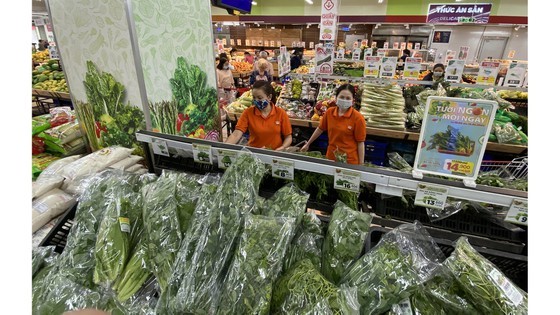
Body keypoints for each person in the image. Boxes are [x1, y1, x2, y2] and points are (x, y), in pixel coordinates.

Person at [301, 84, 366, 165]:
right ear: (336, 98)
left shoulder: (358, 118)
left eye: (348, 98)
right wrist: (308, 144)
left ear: (353, 101)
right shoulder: (329, 112)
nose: (344, 100)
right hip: (331, 158)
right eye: (341, 97)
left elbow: (360, 142)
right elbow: (320, 129)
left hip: (349, 161)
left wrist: (361, 165)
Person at [225, 80, 292, 151]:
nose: (256, 101)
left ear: (269, 97)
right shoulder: (248, 113)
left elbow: (288, 137)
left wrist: (283, 147)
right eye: (254, 98)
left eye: (259, 98)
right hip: (254, 153)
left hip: (275, 154)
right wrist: (223, 148)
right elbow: (236, 134)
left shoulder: (280, 113)